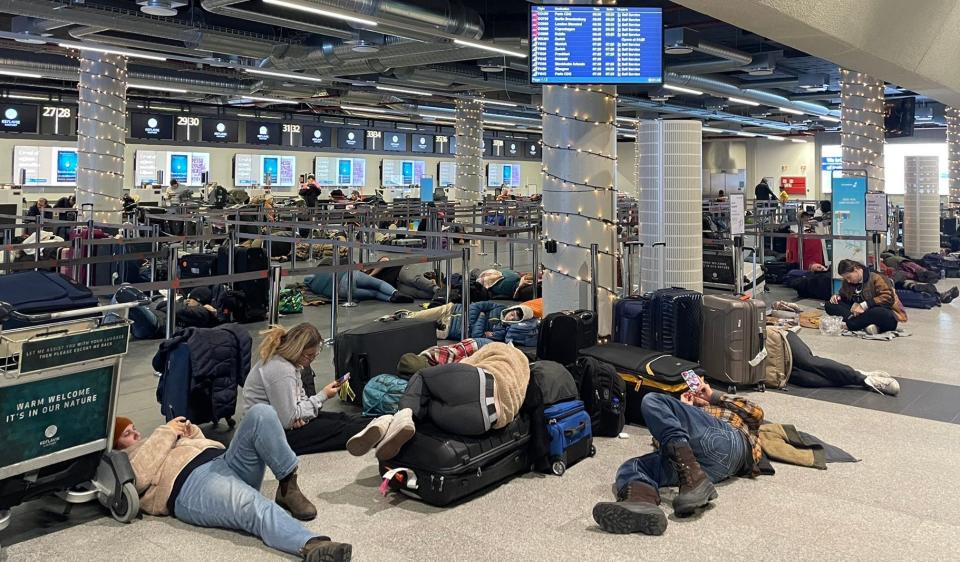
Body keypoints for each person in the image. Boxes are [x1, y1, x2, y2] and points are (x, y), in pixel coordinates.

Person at [113, 408, 352, 561]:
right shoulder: (129, 457)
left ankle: (288, 484)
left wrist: (190, 432)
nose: (136, 434)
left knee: (262, 413)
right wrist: (166, 432)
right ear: (116, 445)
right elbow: (140, 478)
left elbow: (203, 443)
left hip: (222, 461)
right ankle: (310, 545)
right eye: (127, 434)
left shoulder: (159, 439)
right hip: (191, 485)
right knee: (252, 505)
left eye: (134, 429)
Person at [592, 379, 763, 536]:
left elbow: (756, 413)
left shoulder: (720, 407)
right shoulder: (689, 414)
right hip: (706, 469)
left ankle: (695, 480)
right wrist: (683, 411)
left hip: (730, 442)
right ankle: (640, 501)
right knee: (631, 467)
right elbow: (665, 445)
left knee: (653, 400)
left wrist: (712, 396)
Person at [242, 323, 370, 455]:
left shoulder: (290, 364)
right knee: (338, 429)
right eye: (309, 356)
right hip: (269, 437)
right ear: (297, 350)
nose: (311, 360)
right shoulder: (281, 369)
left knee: (341, 418)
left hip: (279, 427)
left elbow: (299, 404)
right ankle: (380, 432)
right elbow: (289, 419)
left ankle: (380, 423)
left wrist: (302, 415)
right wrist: (323, 395)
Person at [783, 330, 900, 395]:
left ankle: (866, 380)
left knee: (808, 362)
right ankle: (856, 374)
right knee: (807, 379)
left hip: (781, 338)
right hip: (777, 367)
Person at [826, 259, 900, 334]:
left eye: (849, 277)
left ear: (856, 270)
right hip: (859, 314)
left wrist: (865, 305)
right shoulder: (848, 282)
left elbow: (888, 298)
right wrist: (837, 297)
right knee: (830, 304)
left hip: (881, 314)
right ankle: (864, 325)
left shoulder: (876, 276)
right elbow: (844, 297)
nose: (848, 281)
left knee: (878, 312)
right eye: (845, 278)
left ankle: (852, 325)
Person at [306, 256, 413, 303]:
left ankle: (390, 299)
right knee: (379, 284)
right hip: (349, 276)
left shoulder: (314, 286)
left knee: (374, 294)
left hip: (342, 292)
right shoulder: (329, 270)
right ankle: (394, 293)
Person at [365, 257, 442, 300]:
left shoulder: (375, 266)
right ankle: (440, 296)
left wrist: (371, 275)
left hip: (401, 271)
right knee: (416, 293)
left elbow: (385, 260)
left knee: (413, 279)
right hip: (397, 285)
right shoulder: (371, 282)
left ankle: (438, 289)